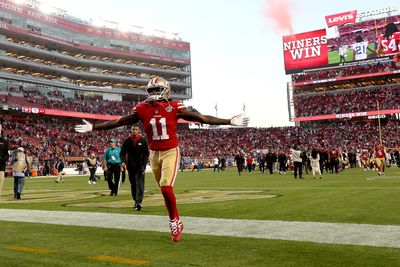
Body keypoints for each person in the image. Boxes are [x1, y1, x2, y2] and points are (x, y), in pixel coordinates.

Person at [75, 76, 249, 242]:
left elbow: (201, 118)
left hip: (170, 151)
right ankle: (174, 220)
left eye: (157, 89)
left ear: (166, 90)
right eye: (151, 90)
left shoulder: (174, 106)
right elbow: (120, 121)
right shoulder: (142, 108)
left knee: (166, 187)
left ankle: (175, 222)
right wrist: (94, 127)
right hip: (154, 154)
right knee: (164, 190)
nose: (154, 93)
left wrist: (228, 120)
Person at [120, 125, 149, 211]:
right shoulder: (127, 141)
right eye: (133, 129)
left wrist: (144, 164)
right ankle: (135, 200)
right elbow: (122, 153)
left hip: (140, 166)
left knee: (139, 183)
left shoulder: (143, 141)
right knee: (133, 184)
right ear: (131, 130)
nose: (134, 131)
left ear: (139, 130)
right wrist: (123, 161)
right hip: (130, 166)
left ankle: (138, 201)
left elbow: (146, 154)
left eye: (136, 129)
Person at [0, 124, 9, 198]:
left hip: (1, 163)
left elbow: (7, 154)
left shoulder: (5, 141)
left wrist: (2, 159)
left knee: (1, 178)